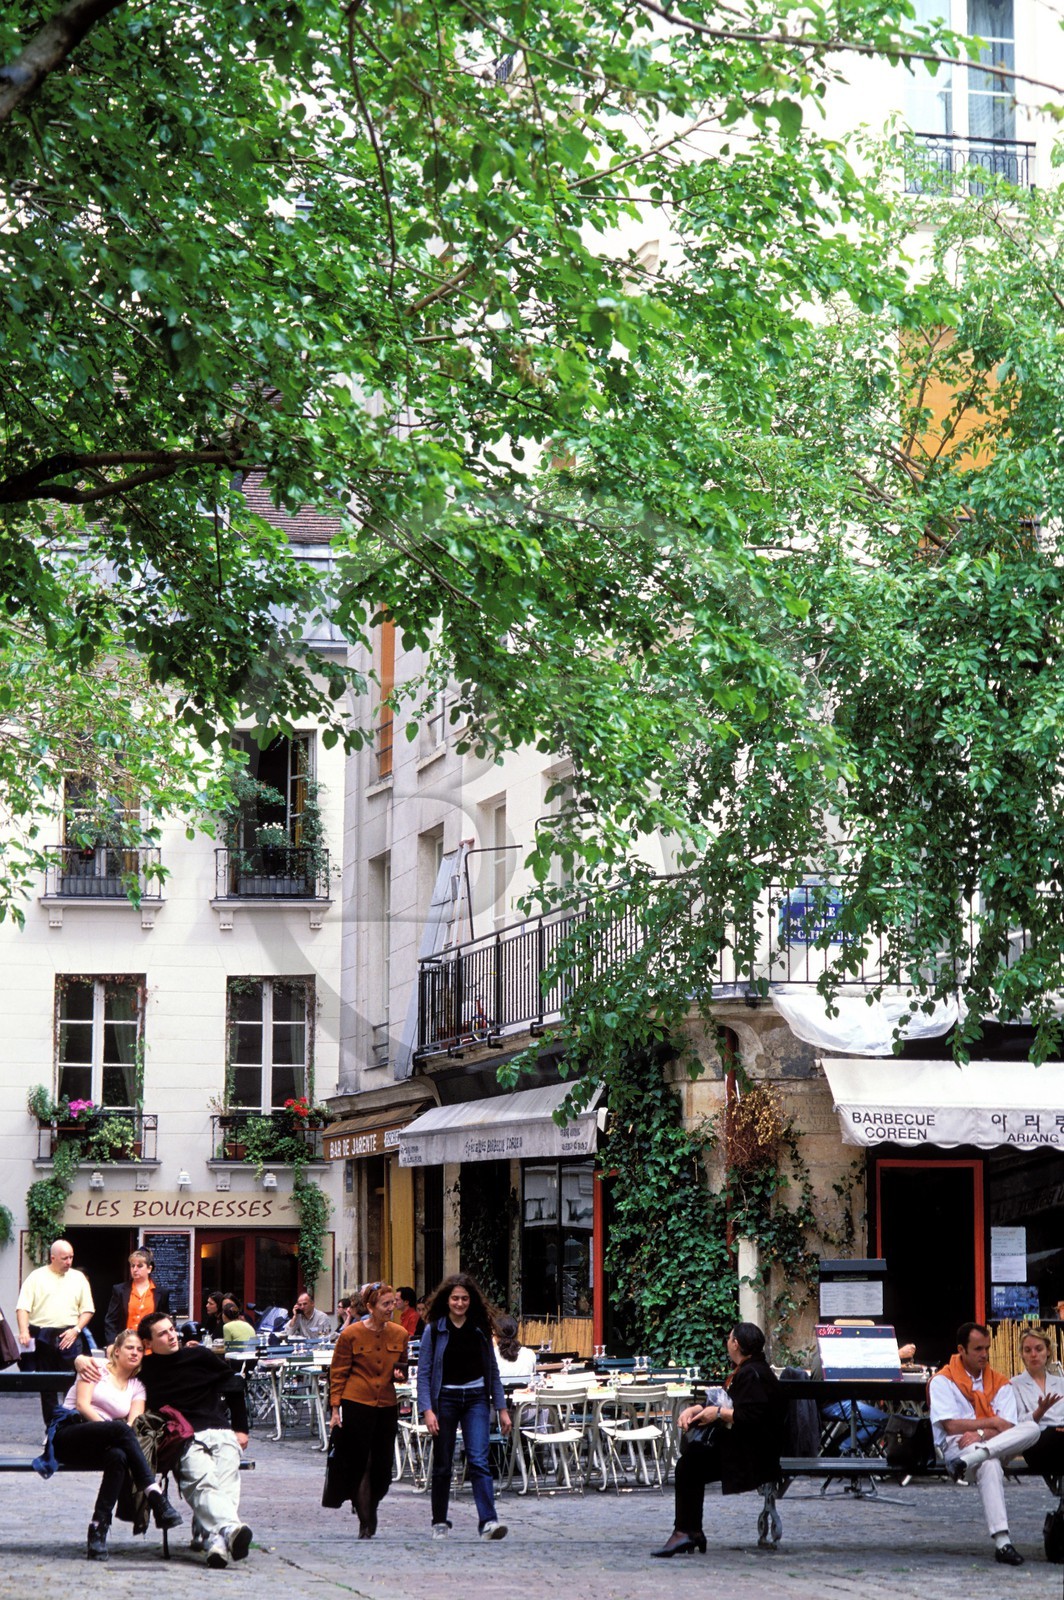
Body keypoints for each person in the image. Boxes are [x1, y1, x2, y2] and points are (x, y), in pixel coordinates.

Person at [79, 1312, 253, 1568]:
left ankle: (218, 1538)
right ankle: (226, 1531)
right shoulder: (144, 1371)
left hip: (221, 1431)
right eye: (163, 1333)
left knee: (226, 1481)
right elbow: (112, 1363)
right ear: (148, 1343)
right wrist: (79, 1359)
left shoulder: (201, 1356)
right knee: (200, 1480)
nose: (172, 1336)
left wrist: (241, 1429)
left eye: (172, 1329)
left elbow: (235, 1384)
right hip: (184, 1437)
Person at [652, 1322, 786, 1557]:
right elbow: (729, 1401)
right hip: (749, 1448)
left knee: (689, 1465)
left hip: (755, 1456)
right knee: (690, 1464)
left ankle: (687, 1532)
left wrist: (717, 1414)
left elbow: (751, 1416)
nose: (727, 1342)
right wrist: (697, 1408)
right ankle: (689, 1531)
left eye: (729, 1338)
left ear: (736, 1343)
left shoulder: (752, 1373)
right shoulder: (749, 1369)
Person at [47, 1328, 183, 1559]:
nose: (135, 1353)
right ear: (116, 1351)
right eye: (130, 1348)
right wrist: (110, 1430)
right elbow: (82, 1405)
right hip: (69, 1434)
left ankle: (98, 1528)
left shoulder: (137, 1387)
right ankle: (155, 1495)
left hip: (101, 1445)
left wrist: (113, 1432)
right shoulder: (96, 1368)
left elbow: (133, 1424)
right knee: (119, 1431)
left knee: (118, 1456)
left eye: (140, 1350)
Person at [928, 1320, 1040, 1566]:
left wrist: (980, 1435)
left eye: (987, 1348)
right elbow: (951, 1426)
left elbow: (1009, 1426)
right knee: (990, 1464)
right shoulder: (943, 1380)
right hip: (957, 1447)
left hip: (981, 1450)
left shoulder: (999, 1382)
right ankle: (1003, 1543)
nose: (985, 1355)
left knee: (1032, 1428)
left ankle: (971, 1460)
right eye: (978, 1349)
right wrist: (991, 1423)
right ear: (962, 1349)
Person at [418, 1272, 511, 1541]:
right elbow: (424, 1373)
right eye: (455, 1298)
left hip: (476, 1400)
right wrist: (427, 1410)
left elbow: (492, 1370)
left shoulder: (480, 1328)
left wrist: (502, 1408)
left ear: (472, 1301)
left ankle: (488, 1522)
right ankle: (439, 1521)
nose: (460, 1303)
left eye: (465, 1299)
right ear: (446, 1300)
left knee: (480, 1460)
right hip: (444, 1400)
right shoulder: (434, 1330)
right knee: (444, 1462)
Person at [327, 1281, 409, 1537]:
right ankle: (366, 1520)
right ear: (371, 1307)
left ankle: (368, 1503)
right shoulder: (351, 1335)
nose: (391, 1308)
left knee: (383, 1469)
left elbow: (402, 1369)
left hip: (386, 1404)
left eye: (393, 1303)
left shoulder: (400, 1334)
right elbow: (338, 1373)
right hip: (357, 1402)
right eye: (385, 1304)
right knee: (361, 1462)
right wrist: (335, 1408)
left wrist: (399, 1375)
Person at [15, 1238, 95, 1422]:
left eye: (71, 1258)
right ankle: (50, 1426)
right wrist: (24, 1331)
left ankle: (73, 1424)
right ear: (53, 1257)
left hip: (70, 1333)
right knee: (47, 1383)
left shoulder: (78, 1277)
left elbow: (88, 1309)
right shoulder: (36, 1277)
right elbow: (23, 1307)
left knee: (73, 1381)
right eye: (64, 1258)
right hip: (43, 1334)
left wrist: (76, 1329)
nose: (69, 1262)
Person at [1011, 1326, 1064, 1482]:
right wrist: (1038, 1412)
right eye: (1028, 1350)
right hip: (1038, 1442)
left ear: (1047, 1351)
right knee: (1051, 1435)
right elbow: (1018, 1423)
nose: (1033, 1355)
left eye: (1038, 1349)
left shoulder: (1061, 1383)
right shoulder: (1015, 1384)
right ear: (1022, 1354)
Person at [104, 1247, 171, 1346]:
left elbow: (164, 1321)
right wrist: (112, 1343)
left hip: (151, 1346)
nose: (135, 1269)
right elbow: (111, 1320)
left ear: (149, 1268)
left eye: (139, 1266)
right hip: (126, 1344)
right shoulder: (120, 1290)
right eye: (132, 1266)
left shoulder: (161, 1293)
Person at [493, 1314, 536, 1382]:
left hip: (501, 1392)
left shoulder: (491, 1356)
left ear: (496, 1334)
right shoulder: (529, 1354)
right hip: (524, 1391)